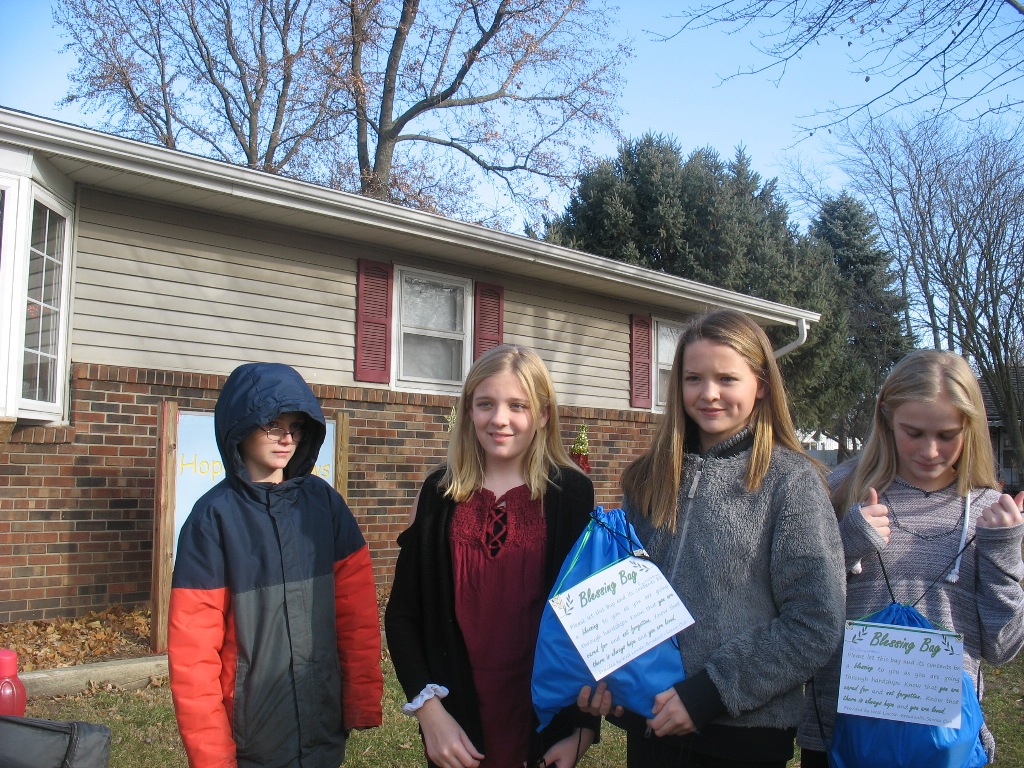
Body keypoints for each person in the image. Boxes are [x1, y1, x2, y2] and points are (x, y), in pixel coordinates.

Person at [580, 308, 846, 768]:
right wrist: (610, 674)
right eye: (693, 379)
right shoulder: (647, 478)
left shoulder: (791, 483)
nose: (708, 394)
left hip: (742, 736)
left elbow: (815, 621)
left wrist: (711, 693)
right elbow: (622, 597)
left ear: (761, 385)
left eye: (727, 379)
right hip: (651, 724)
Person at [797, 349, 1024, 766]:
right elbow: (798, 605)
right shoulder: (840, 490)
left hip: (942, 741)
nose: (930, 451)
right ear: (886, 417)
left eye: (947, 435)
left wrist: (1003, 552)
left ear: (971, 427)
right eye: (914, 432)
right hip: (840, 734)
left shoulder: (987, 510)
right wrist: (844, 545)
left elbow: (1003, 647)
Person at [385, 344, 599, 768]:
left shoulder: (572, 494)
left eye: (517, 405)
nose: (499, 418)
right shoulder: (438, 494)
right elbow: (403, 615)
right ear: (469, 411)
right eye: (485, 403)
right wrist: (430, 714)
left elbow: (590, 617)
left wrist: (582, 728)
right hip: (456, 724)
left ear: (543, 415)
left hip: (542, 724)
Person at [168, 362, 383, 768]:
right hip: (253, 733)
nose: (287, 439)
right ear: (240, 426)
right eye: (272, 425)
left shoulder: (325, 505)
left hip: (323, 722)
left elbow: (357, 615)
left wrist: (361, 698)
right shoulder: (213, 518)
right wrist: (212, 757)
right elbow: (193, 654)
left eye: (296, 427)